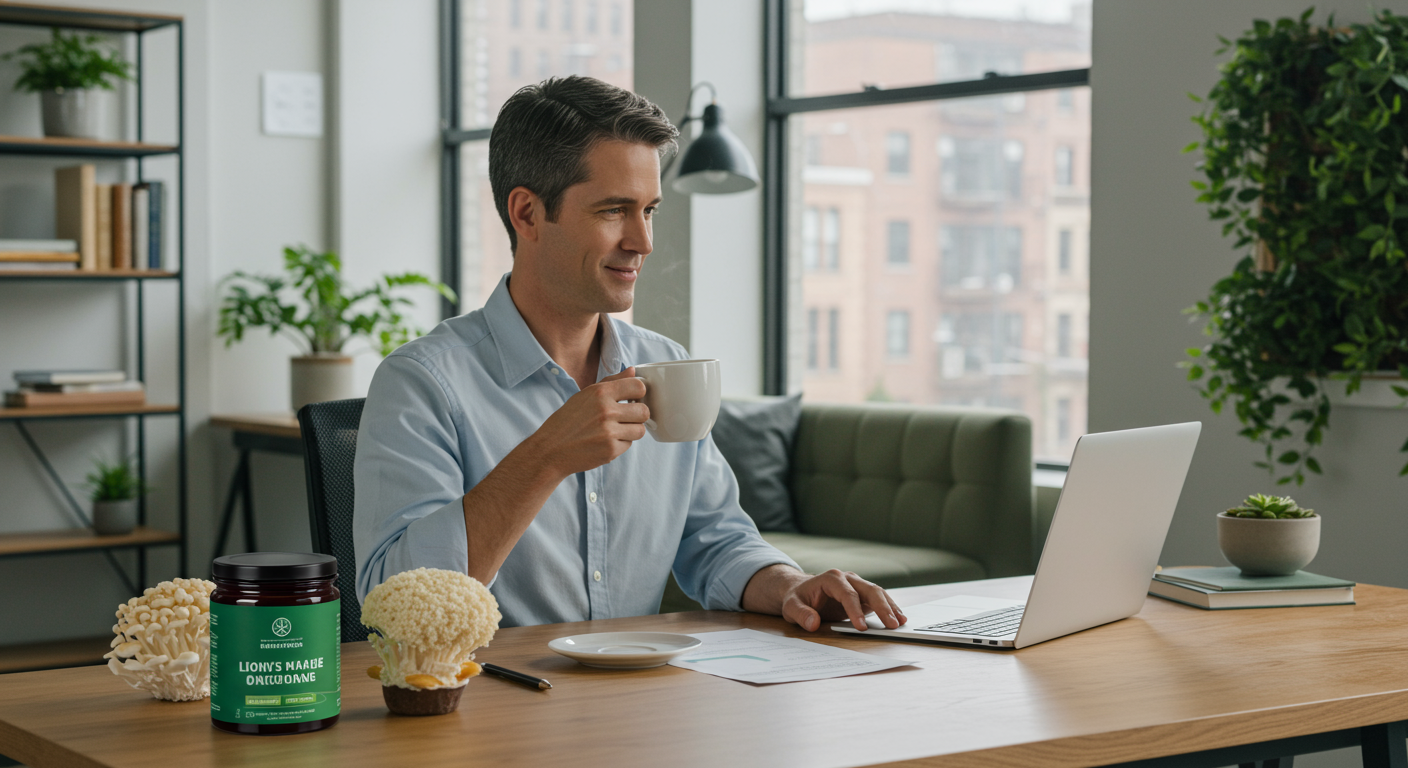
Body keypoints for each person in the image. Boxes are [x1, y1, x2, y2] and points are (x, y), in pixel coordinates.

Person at [354, 76, 905, 633]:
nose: (642, 242)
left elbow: (714, 538)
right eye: (614, 210)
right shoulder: (422, 382)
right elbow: (395, 604)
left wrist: (790, 587)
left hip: (639, 700)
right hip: (487, 701)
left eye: (650, 211)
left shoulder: (666, 366)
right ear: (526, 214)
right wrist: (545, 458)